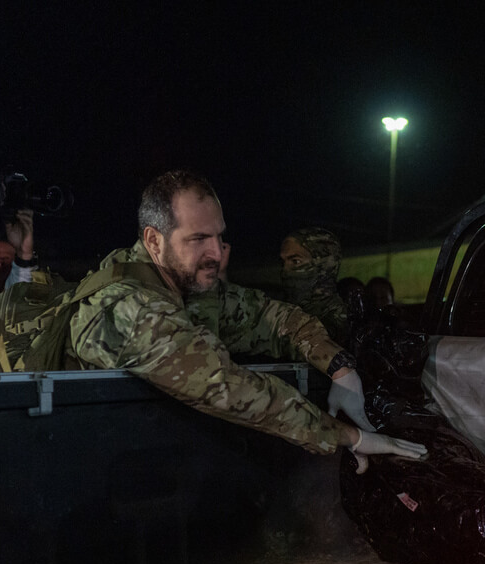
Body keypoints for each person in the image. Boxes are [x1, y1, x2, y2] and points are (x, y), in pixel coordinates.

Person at [65, 170, 426, 471]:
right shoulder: (129, 306)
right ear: (154, 241)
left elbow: (275, 317)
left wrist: (339, 368)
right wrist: (350, 437)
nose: (216, 252)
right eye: (199, 239)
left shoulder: (189, 288)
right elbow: (227, 386)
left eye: (219, 236)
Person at [279, 227, 349, 344]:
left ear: (323, 265)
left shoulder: (340, 322)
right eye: (282, 262)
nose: (285, 270)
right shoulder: (280, 313)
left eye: (296, 261)